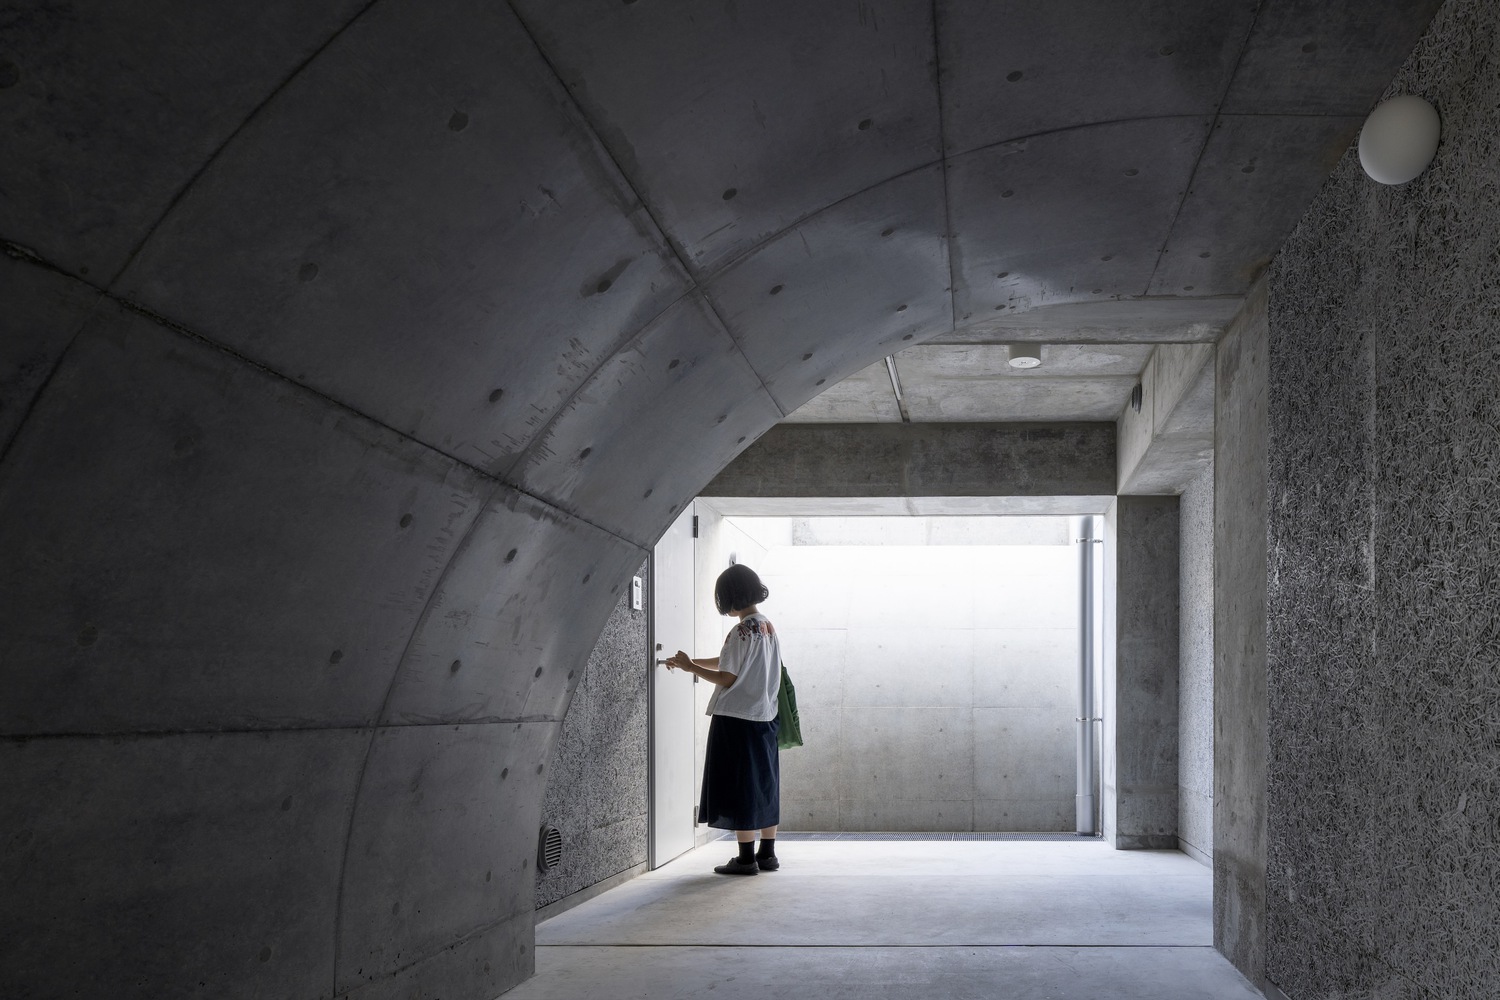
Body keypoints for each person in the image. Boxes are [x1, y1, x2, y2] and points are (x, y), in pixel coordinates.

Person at [662, 563, 782, 875]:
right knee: (765, 783)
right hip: (765, 715)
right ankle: (767, 854)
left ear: (730, 595)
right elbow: (730, 660)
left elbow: (728, 676)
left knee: (741, 786)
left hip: (737, 718)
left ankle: (745, 859)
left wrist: (691, 669)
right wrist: (688, 661)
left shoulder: (740, 630)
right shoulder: (766, 626)